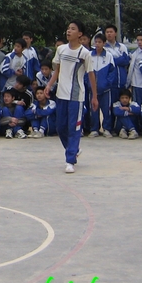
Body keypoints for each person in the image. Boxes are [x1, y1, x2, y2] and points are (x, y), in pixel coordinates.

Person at [45, 21, 98, 174]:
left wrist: (94, 96)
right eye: (68, 28)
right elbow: (57, 70)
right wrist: (49, 85)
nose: (69, 31)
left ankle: (70, 160)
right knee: (61, 127)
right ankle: (74, 149)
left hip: (76, 96)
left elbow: (91, 75)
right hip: (61, 94)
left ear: (80, 34)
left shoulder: (85, 53)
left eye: (73, 29)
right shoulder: (61, 50)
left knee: (74, 128)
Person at [86, 33, 116, 138]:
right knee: (93, 110)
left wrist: (107, 83)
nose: (97, 44)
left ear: (104, 43)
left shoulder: (108, 56)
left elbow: (112, 72)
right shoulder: (89, 55)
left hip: (105, 90)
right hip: (92, 90)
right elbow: (86, 72)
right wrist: (88, 83)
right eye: (96, 42)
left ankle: (107, 128)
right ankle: (94, 129)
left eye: (100, 42)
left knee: (106, 109)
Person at [104, 25, 130, 109]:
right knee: (110, 107)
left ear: (115, 33)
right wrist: (119, 59)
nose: (109, 34)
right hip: (110, 83)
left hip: (122, 82)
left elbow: (126, 61)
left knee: (122, 106)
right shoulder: (103, 48)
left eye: (111, 32)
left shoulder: (122, 47)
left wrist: (113, 60)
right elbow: (107, 63)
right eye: (107, 32)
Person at [127, 32, 142, 109]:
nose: (139, 42)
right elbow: (130, 69)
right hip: (137, 83)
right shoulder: (133, 54)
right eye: (138, 40)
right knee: (137, 106)